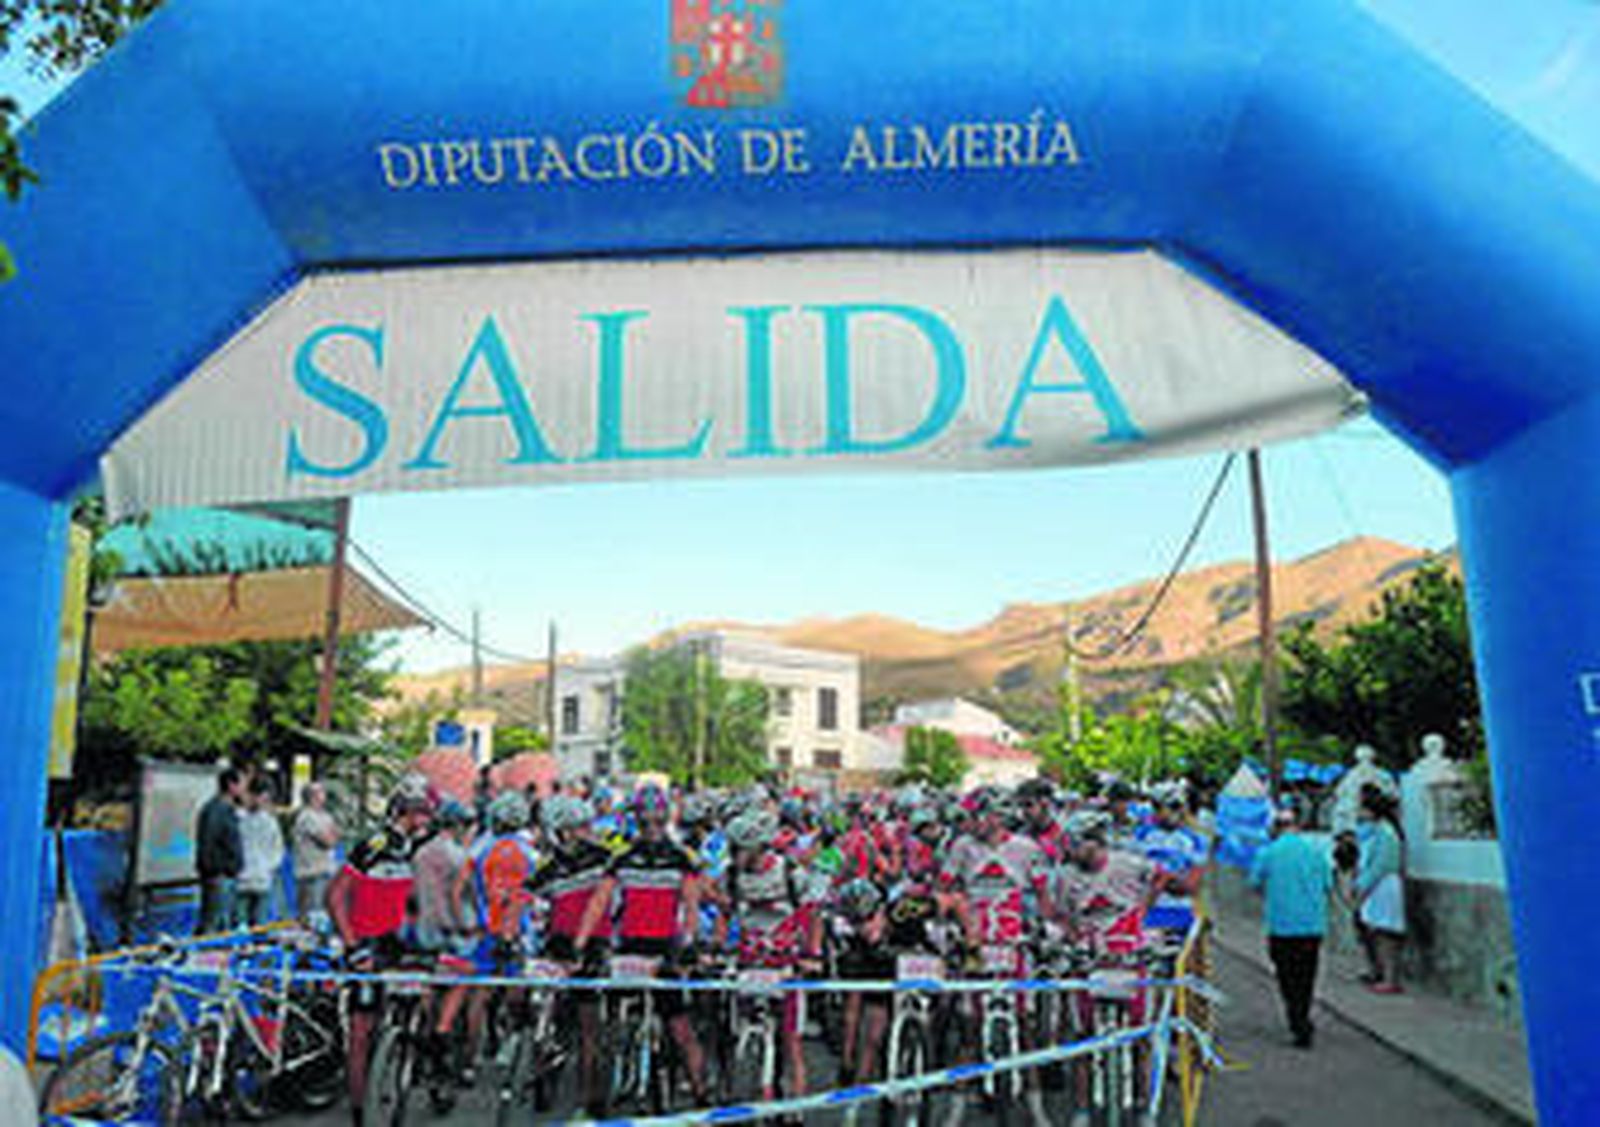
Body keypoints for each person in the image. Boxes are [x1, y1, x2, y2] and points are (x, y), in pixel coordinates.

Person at [326, 787, 435, 1127]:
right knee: (361, 1031)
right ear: (406, 813)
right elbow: (335, 895)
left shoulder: (418, 850)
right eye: (422, 813)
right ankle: (360, 1111)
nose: (427, 820)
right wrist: (351, 944)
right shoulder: (374, 845)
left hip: (403, 945)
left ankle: (411, 1060)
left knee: (426, 998)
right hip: (368, 945)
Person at [1249, 802, 1333, 1048]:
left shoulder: (1268, 852)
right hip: (1312, 926)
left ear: (1276, 828)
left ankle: (1297, 1019)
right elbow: (1328, 884)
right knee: (1307, 976)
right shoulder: (1316, 852)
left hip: (1281, 926)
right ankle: (1302, 1017)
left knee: (1286, 976)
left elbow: (1254, 882)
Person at [1355, 783, 1406, 993]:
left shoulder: (1386, 834)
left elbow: (1380, 866)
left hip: (1383, 886)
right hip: (1377, 886)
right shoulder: (1375, 832)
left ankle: (1391, 978)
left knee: (1386, 934)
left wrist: (1362, 888)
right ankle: (1382, 974)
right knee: (1376, 931)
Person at [195, 765, 247, 934]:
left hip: (227, 876)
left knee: (225, 922)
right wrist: (218, 869)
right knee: (214, 921)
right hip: (219, 876)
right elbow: (209, 843)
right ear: (231, 785)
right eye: (242, 783)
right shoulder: (216, 811)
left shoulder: (229, 810)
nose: (244, 788)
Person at [238, 775, 285, 927]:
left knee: (259, 925)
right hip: (243, 880)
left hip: (260, 880)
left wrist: (267, 868)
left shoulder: (270, 822)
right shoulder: (239, 818)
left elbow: (278, 849)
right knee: (243, 925)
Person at [292, 781, 341, 924]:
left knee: (323, 915)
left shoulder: (326, 816)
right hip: (310, 873)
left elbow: (336, 834)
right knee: (311, 916)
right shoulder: (306, 817)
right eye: (320, 791)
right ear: (312, 796)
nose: (324, 794)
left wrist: (332, 835)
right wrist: (331, 835)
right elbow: (328, 840)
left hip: (325, 870)